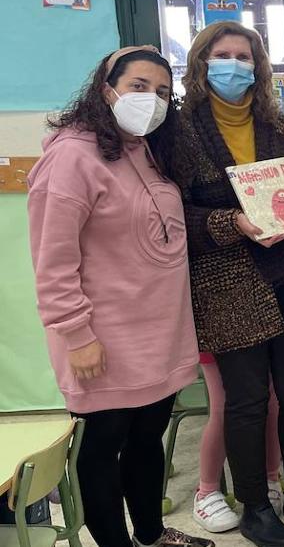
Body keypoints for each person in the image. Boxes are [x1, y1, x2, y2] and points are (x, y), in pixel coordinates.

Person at [28, 47, 212, 547]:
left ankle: (151, 535)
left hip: (160, 335)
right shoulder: (70, 157)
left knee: (148, 441)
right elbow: (53, 262)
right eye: (137, 86)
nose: (149, 100)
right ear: (105, 90)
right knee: (102, 449)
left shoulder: (148, 150)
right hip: (101, 340)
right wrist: (76, 335)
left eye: (159, 91)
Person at [177, 21, 284, 547]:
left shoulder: (275, 123)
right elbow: (176, 212)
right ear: (201, 62)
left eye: (245, 56)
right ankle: (255, 506)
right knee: (246, 401)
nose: (234, 65)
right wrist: (232, 224)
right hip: (228, 281)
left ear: (259, 66)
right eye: (223, 55)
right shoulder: (179, 130)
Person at [194, 362, 284, 532]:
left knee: (271, 402)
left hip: (266, 339)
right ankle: (206, 491)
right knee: (223, 405)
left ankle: (271, 477)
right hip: (217, 342)